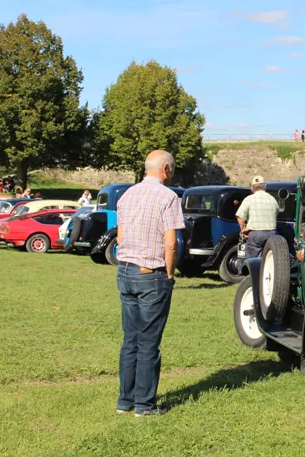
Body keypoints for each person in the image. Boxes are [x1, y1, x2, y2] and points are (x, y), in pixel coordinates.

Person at [114, 150, 185, 417]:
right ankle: (144, 405)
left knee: (129, 339)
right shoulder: (168, 197)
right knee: (148, 343)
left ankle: (125, 400)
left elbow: (120, 237)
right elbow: (171, 242)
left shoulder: (127, 195)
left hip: (125, 271)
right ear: (165, 169)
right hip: (152, 273)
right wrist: (169, 273)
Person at [235, 175, 279, 259]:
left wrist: (243, 229)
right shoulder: (272, 199)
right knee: (269, 259)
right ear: (264, 186)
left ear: (252, 188)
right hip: (272, 233)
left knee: (254, 260)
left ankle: (255, 271)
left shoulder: (249, 199)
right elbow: (276, 213)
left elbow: (239, 215)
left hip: (255, 234)